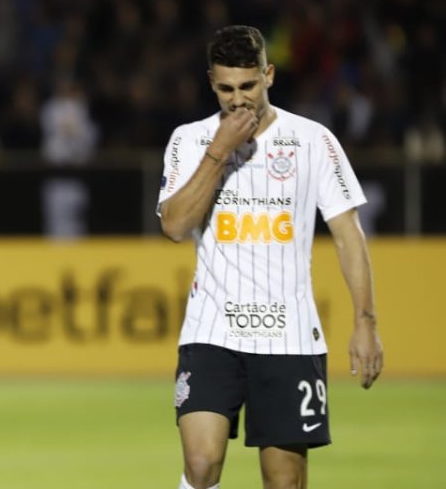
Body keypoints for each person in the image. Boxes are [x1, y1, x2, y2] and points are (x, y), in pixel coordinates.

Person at [158, 26, 383, 489]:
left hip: (290, 336)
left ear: (269, 75)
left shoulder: (313, 141)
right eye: (225, 89)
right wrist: (218, 153)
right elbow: (175, 227)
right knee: (201, 465)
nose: (237, 100)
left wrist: (365, 322)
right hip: (212, 330)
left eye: (248, 86)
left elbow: (348, 235)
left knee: (285, 481)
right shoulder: (190, 139)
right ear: (211, 83)